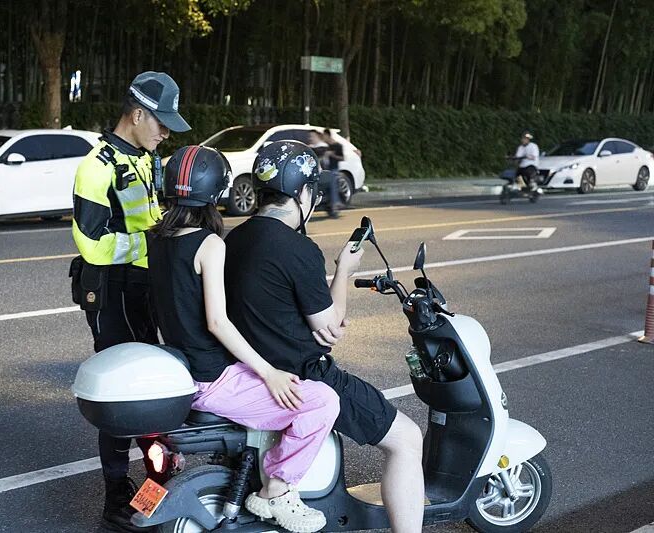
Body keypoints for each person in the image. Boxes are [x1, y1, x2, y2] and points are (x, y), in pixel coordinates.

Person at [224, 141, 425, 533]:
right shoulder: (298, 249)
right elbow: (330, 327)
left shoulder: (234, 239)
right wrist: (344, 271)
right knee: (407, 438)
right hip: (303, 375)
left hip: (250, 370)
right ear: (303, 193)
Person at [147, 145, 340, 533]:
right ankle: (278, 492)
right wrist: (269, 372)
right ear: (218, 191)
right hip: (212, 376)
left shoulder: (156, 239)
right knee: (321, 402)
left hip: (182, 369)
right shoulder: (209, 243)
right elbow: (218, 323)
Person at [70, 71, 191, 532]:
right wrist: (155, 243)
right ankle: (117, 498)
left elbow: (151, 215)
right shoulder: (96, 166)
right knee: (124, 390)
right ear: (137, 114)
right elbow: (94, 245)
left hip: (144, 284)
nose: (165, 133)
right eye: (160, 123)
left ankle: (156, 482)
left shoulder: (146, 158)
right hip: (112, 289)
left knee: (154, 379)